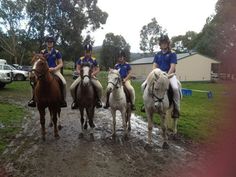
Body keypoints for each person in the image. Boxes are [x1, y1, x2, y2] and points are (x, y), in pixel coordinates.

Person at [142, 34, 180, 118]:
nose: (163, 44)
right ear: (160, 44)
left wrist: (166, 76)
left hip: (169, 75)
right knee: (144, 85)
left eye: (165, 43)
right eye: (162, 43)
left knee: (175, 88)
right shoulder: (157, 54)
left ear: (168, 43)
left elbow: (172, 66)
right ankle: (145, 104)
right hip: (158, 76)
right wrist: (155, 73)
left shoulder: (172, 54)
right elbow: (154, 65)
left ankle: (176, 109)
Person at [28, 36, 67, 107]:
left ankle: (62, 100)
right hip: (43, 71)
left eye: (51, 42)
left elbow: (61, 63)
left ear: (53, 43)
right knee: (34, 82)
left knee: (64, 82)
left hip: (54, 70)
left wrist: (55, 68)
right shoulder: (42, 52)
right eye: (48, 42)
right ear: (46, 43)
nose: (49, 43)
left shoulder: (57, 52)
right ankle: (33, 99)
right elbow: (39, 60)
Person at [70, 44, 103, 109]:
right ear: (84, 51)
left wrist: (92, 74)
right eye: (86, 51)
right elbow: (77, 68)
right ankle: (75, 101)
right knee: (72, 88)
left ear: (91, 52)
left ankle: (98, 101)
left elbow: (98, 69)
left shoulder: (94, 60)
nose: (87, 53)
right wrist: (81, 74)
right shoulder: (81, 59)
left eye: (89, 51)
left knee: (100, 87)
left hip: (91, 77)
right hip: (82, 76)